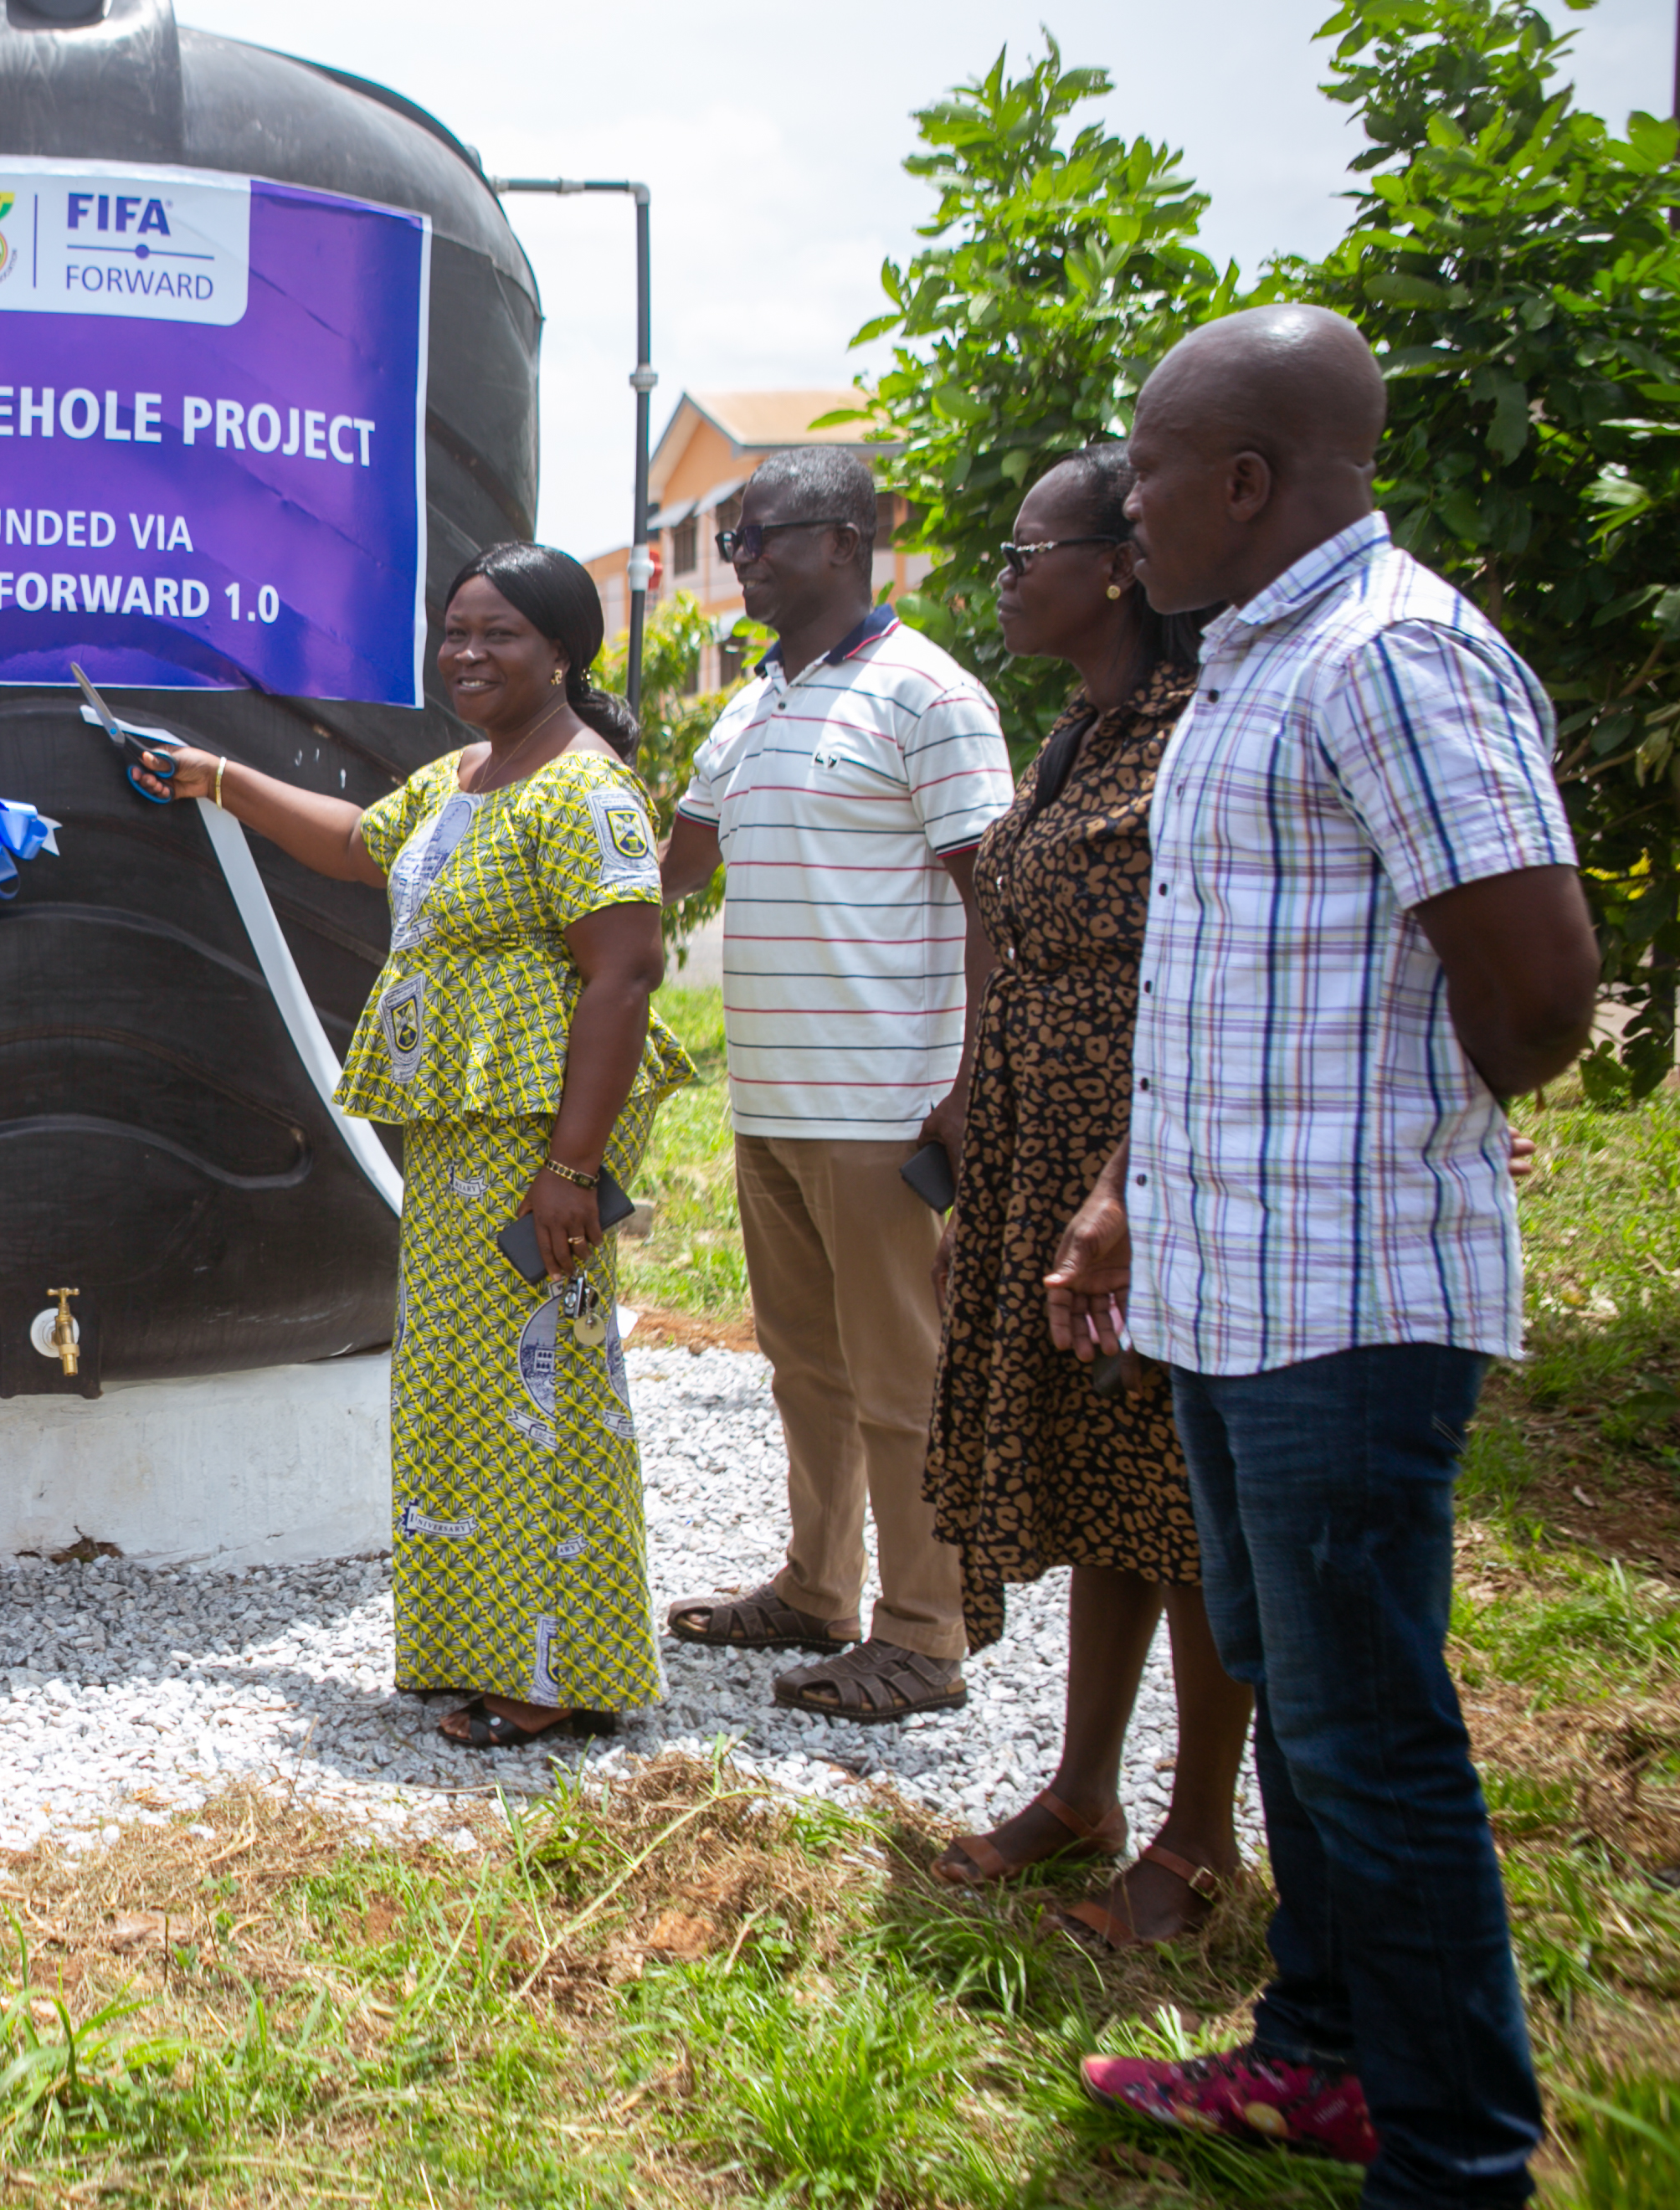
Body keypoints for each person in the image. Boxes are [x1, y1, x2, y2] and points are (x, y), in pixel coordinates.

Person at [1051, 304, 1599, 2196]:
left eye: (1140, 475)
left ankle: (1455, 2157)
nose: (1127, 513)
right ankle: (1319, 2058)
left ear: (1247, 481)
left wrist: (1397, 1136)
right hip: (1228, 1282)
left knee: (1374, 1735)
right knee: (1302, 1689)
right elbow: (1227, 976)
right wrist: (1130, 1187)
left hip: (1346, 1301)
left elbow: (1536, 991)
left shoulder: (1394, 657)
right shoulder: (1251, 663)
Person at [126, 542, 694, 1746]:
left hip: (535, 1146)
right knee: (457, 1396)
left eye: (501, 635)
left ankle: (548, 1674)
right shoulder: (473, 775)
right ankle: (477, 1647)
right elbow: (354, 843)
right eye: (456, 632)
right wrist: (219, 777)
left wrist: (574, 1169)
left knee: (534, 1398)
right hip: (457, 1143)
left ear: (563, 653)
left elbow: (625, 972)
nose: (470, 654)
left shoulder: (584, 792)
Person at [916, 445, 1251, 1945]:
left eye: (1022, 550)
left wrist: (1116, 1186)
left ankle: (1196, 1844)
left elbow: (1206, 971)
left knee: (1178, 1501)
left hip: (1149, 1157)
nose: (1004, 576)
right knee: (1104, 1487)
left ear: (1115, 564)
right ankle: (1083, 1793)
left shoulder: (1200, 729)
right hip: (1043, 1148)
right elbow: (1015, 938)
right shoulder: (1084, 735)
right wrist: (981, 1155)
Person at [656, 446, 1013, 1722]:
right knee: (804, 1365)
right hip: (772, 1104)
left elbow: (995, 904)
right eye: (733, 539)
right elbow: (676, 871)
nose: (739, 560)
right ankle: (817, 1589)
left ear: (846, 542)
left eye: (759, 537)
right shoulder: (752, 705)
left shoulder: (928, 696)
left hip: (882, 1111)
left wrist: (974, 1084)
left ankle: (925, 1633)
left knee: (900, 1379)